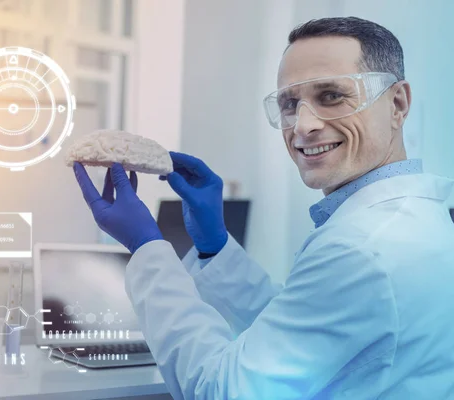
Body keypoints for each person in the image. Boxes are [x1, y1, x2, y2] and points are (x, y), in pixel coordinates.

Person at [72, 17, 454, 399]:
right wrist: (215, 246)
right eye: (289, 103)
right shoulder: (423, 215)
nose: (303, 126)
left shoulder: (360, 248)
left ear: (398, 103)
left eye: (332, 96)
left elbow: (219, 390)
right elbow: (300, 327)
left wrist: (147, 248)